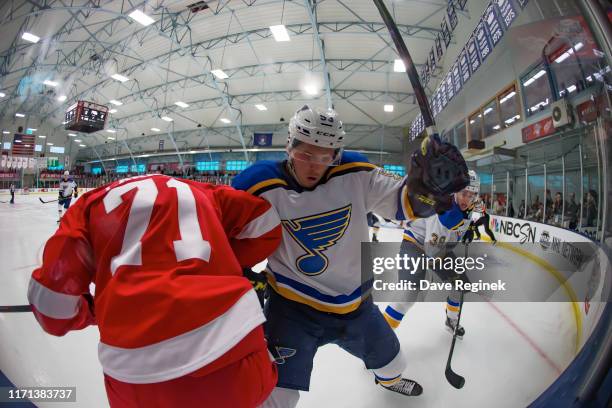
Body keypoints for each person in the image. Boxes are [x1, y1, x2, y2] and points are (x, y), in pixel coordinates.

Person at [232, 104, 469, 407]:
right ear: (289, 146)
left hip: (356, 305)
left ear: (337, 154)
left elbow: (406, 207)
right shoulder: (257, 182)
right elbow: (223, 230)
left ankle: (388, 380)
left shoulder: (355, 172)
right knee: (277, 395)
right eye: (306, 153)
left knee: (395, 365)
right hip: (292, 308)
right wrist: (239, 274)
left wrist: (429, 189)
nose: (315, 165)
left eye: (325, 156)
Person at [28, 174, 283, 407]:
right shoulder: (204, 191)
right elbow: (266, 226)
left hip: (137, 370)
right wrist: (224, 262)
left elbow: (52, 306)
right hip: (233, 345)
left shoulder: (89, 205)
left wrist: (92, 310)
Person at [382, 170, 480, 338]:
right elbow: (433, 253)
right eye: (463, 193)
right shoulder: (445, 213)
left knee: (461, 286)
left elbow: (461, 223)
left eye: (471, 195)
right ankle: (379, 337)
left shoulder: (467, 206)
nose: (466, 199)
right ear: (455, 191)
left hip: (438, 247)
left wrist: (469, 228)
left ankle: (451, 320)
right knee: (409, 294)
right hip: (416, 245)